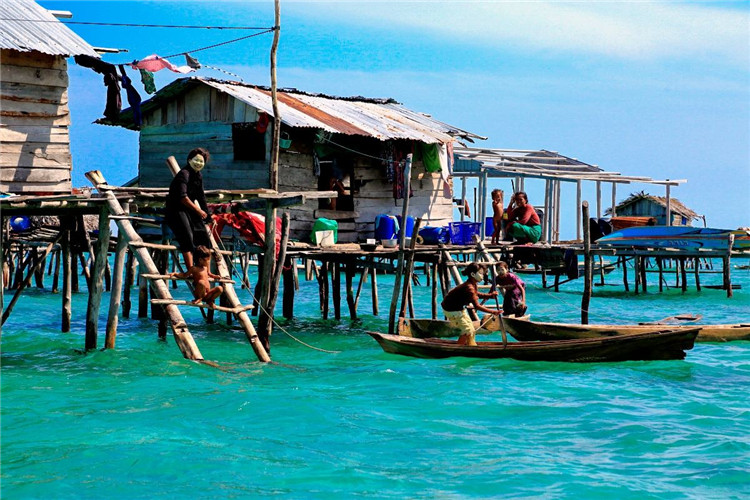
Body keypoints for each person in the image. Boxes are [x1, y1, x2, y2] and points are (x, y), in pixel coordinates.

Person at [165, 148, 212, 269]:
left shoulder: (198, 176)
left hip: (189, 210)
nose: (198, 163)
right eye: (196, 160)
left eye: (201, 161)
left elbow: (201, 197)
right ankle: (191, 270)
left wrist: (208, 214)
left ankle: (205, 270)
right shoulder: (183, 174)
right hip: (175, 210)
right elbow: (182, 197)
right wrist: (198, 210)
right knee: (187, 236)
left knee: (204, 237)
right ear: (189, 160)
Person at [441, 263, 502, 346]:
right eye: (480, 273)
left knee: (472, 329)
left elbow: (475, 294)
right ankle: (459, 348)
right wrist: (493, 312)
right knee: (467, 330)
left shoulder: (473, 284)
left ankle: (470, 345)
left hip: (459, 309)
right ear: (473, 274)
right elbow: (477, 306)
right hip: (451, 310)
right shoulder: (469, 287)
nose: (483, 276)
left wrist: (490, 296)